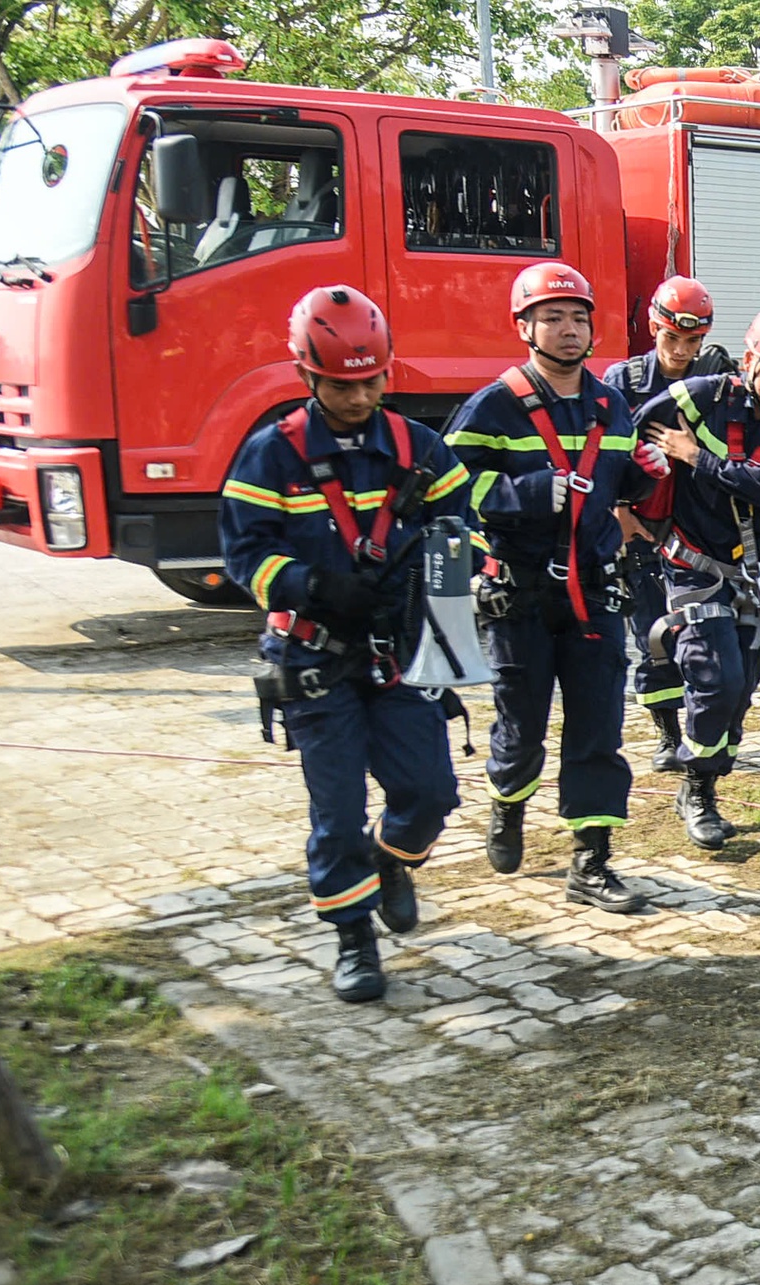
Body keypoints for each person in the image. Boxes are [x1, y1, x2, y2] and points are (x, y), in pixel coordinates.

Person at [220, 285, 474, 1002]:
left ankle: (393, 859)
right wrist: (310, 585)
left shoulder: (418, 448)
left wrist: (436, 575)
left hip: (397, 651)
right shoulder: (272, 456)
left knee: (428, 792)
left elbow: (465, 527)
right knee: (335, 813)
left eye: (370, 380)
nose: (358, 395)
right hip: (313, 655)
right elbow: (244, 555)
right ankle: (354, 938)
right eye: (341, 382)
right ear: (306, 375)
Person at [444, 263, 664, 913]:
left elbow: (619, 486)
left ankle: (591, 859)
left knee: (599, 729)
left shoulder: (609, 404)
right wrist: (530, 493)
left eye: (579, 317)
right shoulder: (494, 406)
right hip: (519, 597)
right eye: (553, 317)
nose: (570, 330)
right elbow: (449, 491)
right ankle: (507, 804)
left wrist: (644, 478)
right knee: (523, 728)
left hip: (594, 593)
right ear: (524, 326)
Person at [631, 306, 760, 849]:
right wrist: (627, 503)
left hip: (755, 575)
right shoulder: (700, 396)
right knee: (715, 679)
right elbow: (633, 430)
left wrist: (695, 456)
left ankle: (710, 771)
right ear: (749, 362)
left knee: (739, 687)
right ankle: (698, 791)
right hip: (693, 564)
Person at [603, 276, 730, 773]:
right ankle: (666, 732)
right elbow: (605, 453)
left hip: (697, 527)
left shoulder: (719, 380)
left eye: (692, 341)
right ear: (654, 328)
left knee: (698, 635)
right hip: (641, 525)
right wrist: (619, 511)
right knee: (650, 631)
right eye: (671, 338)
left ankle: (703, 729)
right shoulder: (623, 382)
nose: (680, 350)